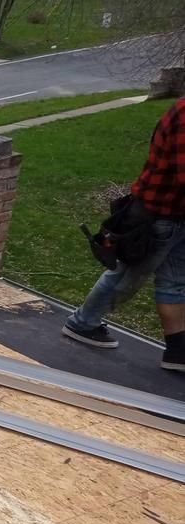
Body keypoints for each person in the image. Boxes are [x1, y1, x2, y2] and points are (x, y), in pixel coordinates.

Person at [63, 97, 184, 372]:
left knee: (176, 284)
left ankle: (178, 352)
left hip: (178, 217)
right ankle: (82, 324)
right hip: (157, 217)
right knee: (126, 276)